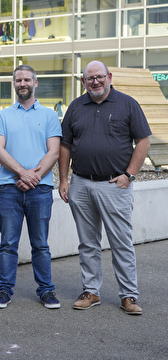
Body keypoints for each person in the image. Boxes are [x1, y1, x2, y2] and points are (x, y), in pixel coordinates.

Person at [59, 60, 151, 316]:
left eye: (100, 77)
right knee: (87, 243)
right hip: (81, 184)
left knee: (121, 242)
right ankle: (91, 291)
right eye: (90, 78)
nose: (95, 81)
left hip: (115, 185)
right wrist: (64, 180)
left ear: (109, 76)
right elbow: (65, 145)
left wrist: (129, 175)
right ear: (83, 82)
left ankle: (129, 295)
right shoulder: (76, 107)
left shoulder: (127, 104)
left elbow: (143, 141)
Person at [0, 65, 62, 310]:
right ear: (14, 83)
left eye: (27, 79)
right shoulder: (3, 115)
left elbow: (54, 151)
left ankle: (46, 291)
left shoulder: (50, 115)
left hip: (40, 190)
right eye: (18, 80)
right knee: (8, 243)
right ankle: (4, 291)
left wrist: (34, 177)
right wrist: (23, 173)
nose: (23, 83)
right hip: (9, 188)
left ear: (35, 82)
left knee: (40, 244)